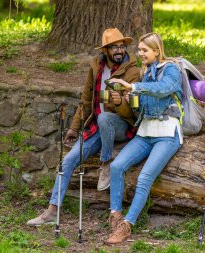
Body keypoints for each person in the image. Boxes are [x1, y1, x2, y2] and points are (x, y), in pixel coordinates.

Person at [27, 28, 141, 226]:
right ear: (105, 50)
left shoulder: (132, 71)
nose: (119, 51)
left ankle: (105, 163)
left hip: (122, 126)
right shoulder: (96, 65)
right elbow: (87, 99)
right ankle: (52, 210)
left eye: (122, 47)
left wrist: (120, 101)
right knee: (69, 160)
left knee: (106, 117)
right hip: (97, 127)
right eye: (115, 47)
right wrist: (74, 127)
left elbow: (134, 111)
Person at [106, 32, 183, 244]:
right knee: (116, 166)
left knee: (144, 178)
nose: (140, 54)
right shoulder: (146, 71)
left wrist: (135, 87)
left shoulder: (171, 69)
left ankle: (127, 226)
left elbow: (164, 89)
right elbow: (143, 105)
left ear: (157, 51)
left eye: (144, 50)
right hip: (146, 132)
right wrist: (129, 99)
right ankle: (115, 215)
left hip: (167, 134)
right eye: (139, 50)